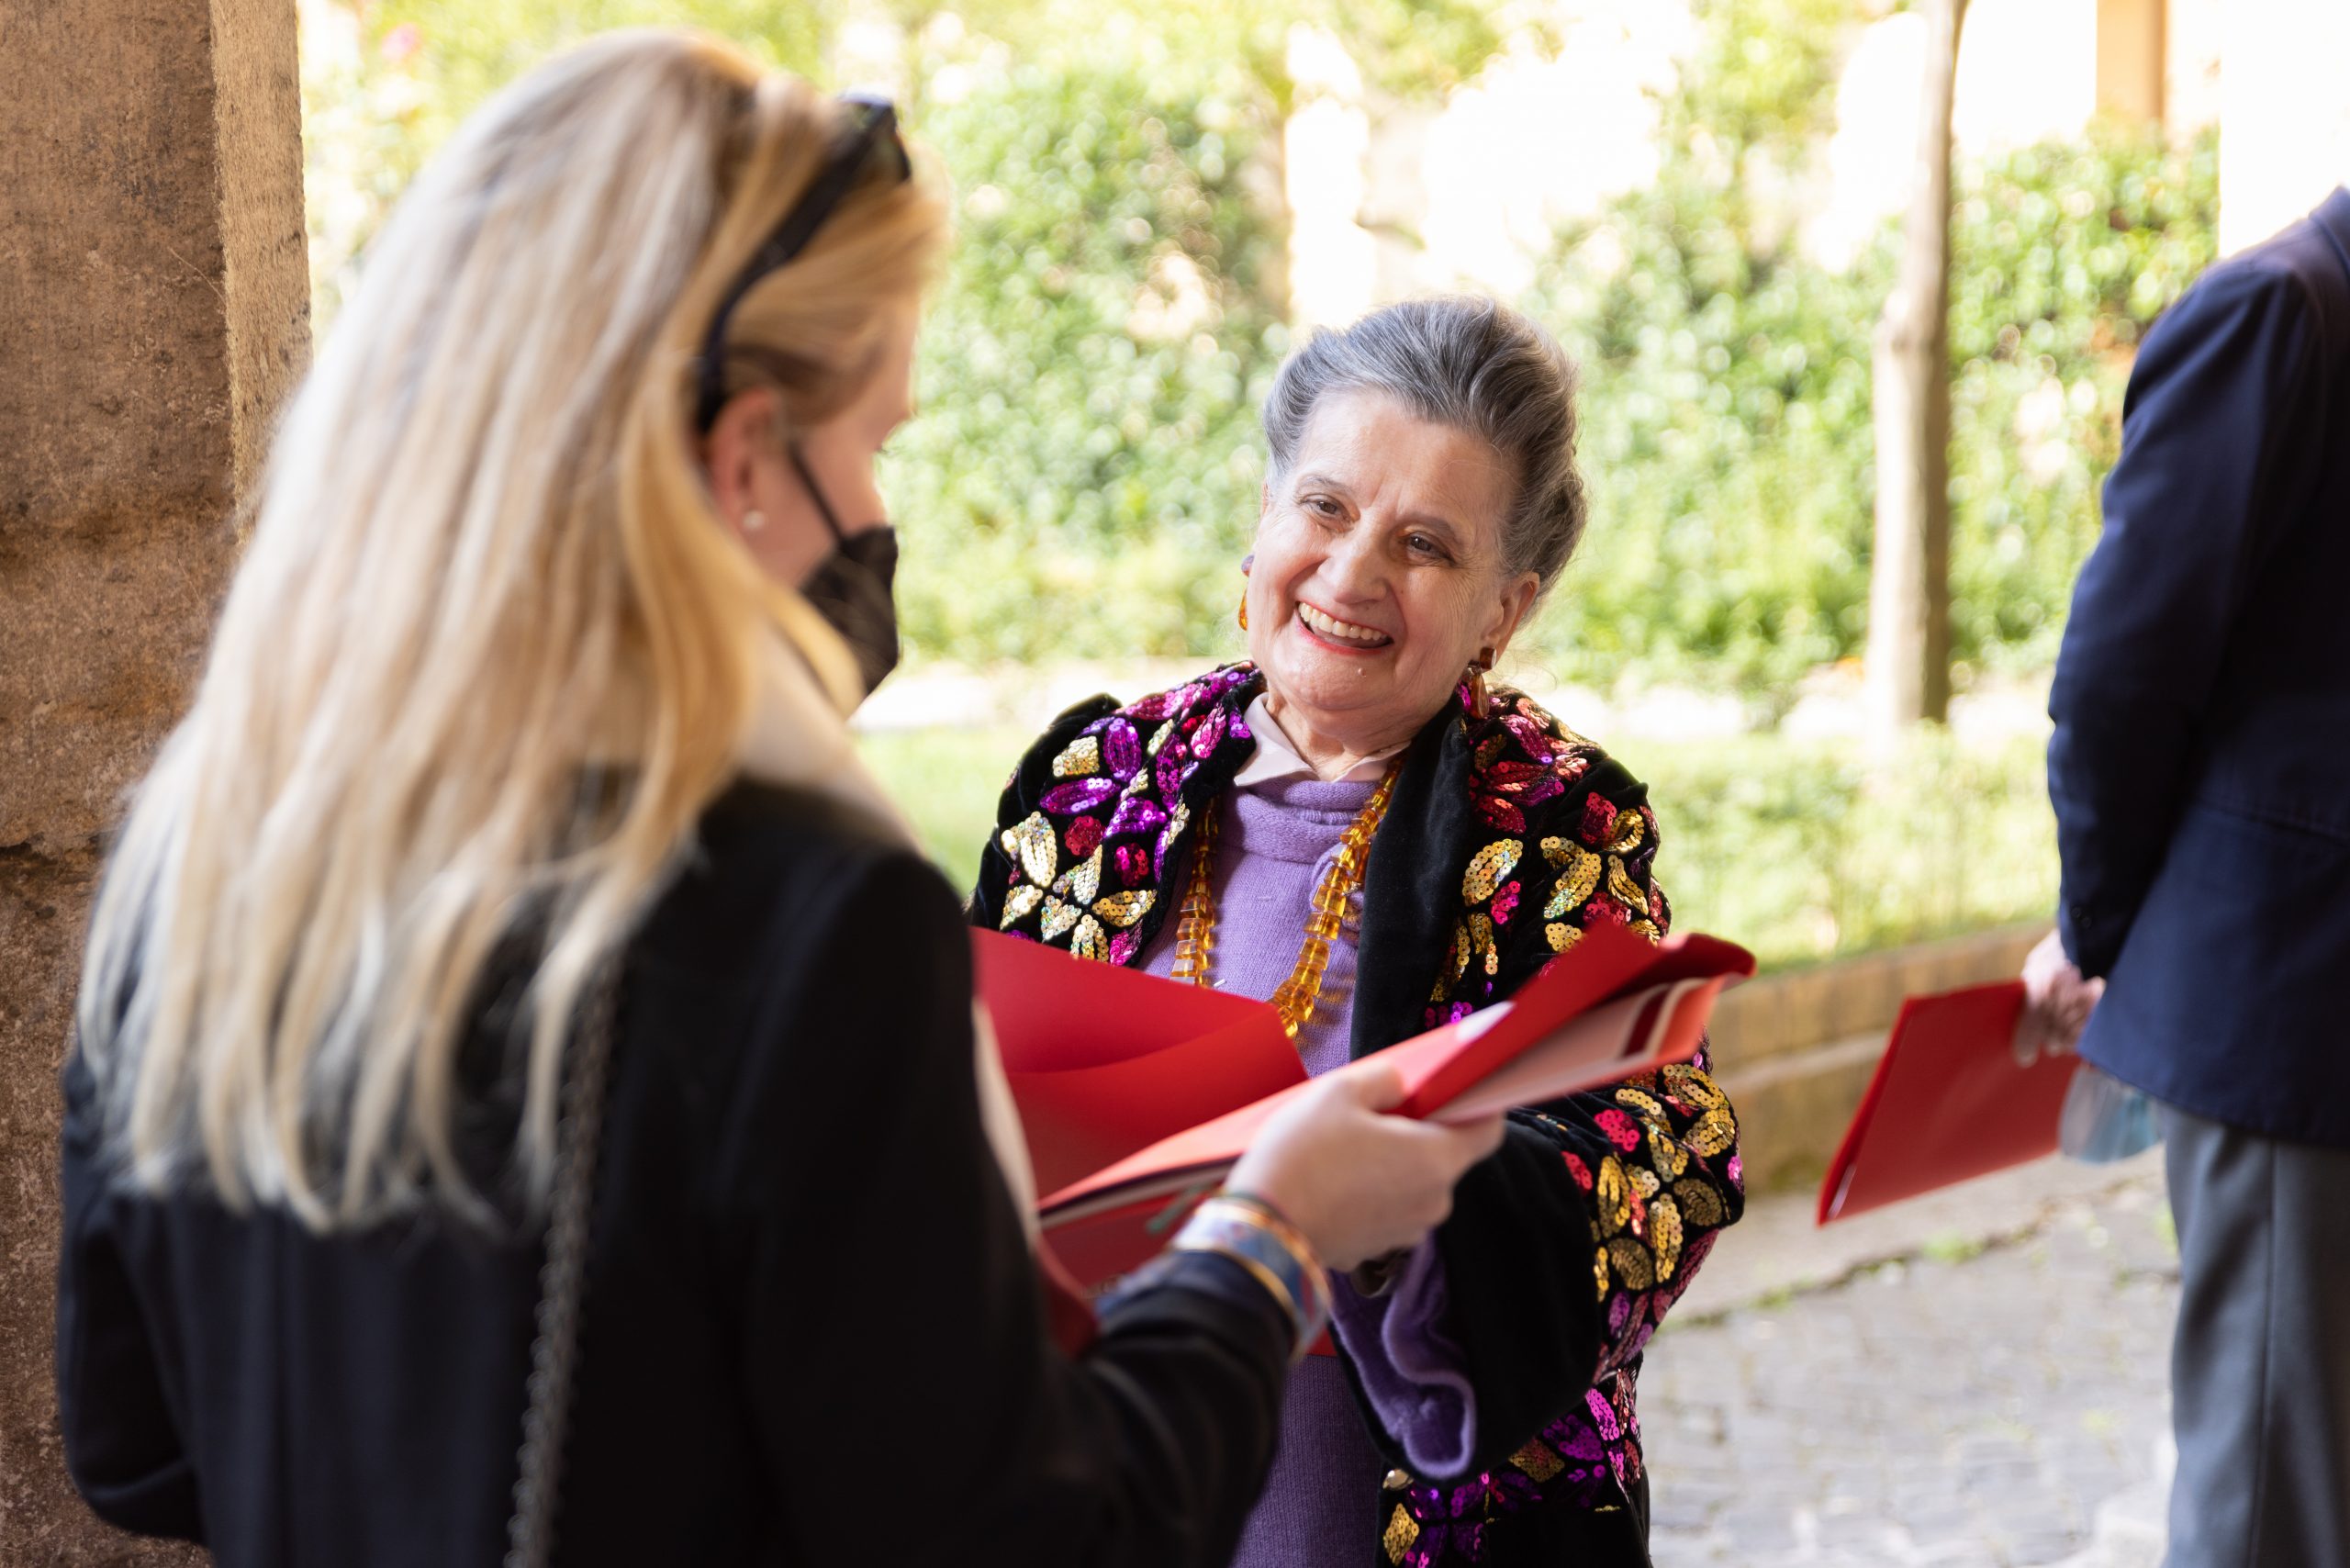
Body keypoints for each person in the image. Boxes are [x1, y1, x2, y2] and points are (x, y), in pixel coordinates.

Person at [53, 33, 1506, 1568]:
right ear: (745, 457)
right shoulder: (800, 912)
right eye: (872, 440)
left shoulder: (207, 843)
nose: (878, 513)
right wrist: (1269, 1240)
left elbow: (138, 1448)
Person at [973, 297, 1746, 1568]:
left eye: (1427, 545)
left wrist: (1414, 1205)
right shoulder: (1092, 783)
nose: (1351, 575)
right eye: (1324, 509)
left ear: (1505, 608)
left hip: (1377, 1516)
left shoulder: (1556, 828)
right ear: (1264, 519)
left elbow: (1664, 1160)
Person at [2020, 185, 2350, 1566]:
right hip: (2296, 1011)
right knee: (2272, 1492)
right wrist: (2098, 925)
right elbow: (2124, 678)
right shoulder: (2280, 314)